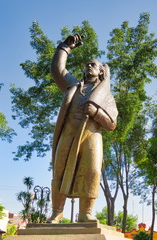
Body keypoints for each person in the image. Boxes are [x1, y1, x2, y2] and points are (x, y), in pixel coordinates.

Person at [48, 34, 118, 223]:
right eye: (87, 64)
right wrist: (65, 47)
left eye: (93, 64)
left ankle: (86, 213)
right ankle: (57, 212)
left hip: (91, 135)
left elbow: (112, 124)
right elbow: (57, 70)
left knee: (92, 171)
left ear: (102, 72)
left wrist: (96, 113)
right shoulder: (73, 85)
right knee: (60, 170)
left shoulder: (106, 95)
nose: (89, 66)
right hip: (69, 132)